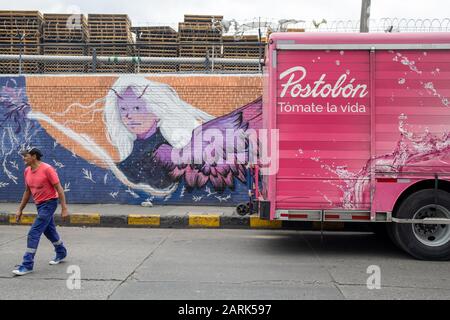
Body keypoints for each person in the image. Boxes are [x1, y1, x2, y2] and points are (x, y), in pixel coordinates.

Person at [12, 147, 69, 276]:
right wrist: (20, 209)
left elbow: (59, 189)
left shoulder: (47, 169)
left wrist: (64, 208)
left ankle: (27, 264)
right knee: (49, 231)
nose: (23, 158)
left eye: (25, 156)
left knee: (34, 233)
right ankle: (61, 252)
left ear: (34, 156)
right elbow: (27, 191)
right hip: (39, 205)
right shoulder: (27, 171)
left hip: (50, 203)